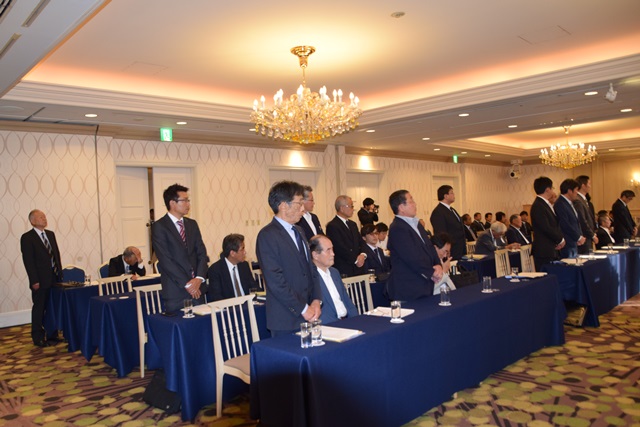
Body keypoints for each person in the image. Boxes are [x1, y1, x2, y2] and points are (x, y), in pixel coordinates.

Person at [256, 181, 322, 336]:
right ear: (283, 206)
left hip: (309, 314)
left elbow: (311, 268)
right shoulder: (267, 235)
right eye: (299, 203)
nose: (303, 208)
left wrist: (316, 299)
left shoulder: (299, 231)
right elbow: (275, 281)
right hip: (286, 318)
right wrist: (303, 308)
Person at [152, 183, 209, 313]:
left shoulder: (192, 224)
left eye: (188, 200)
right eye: (185, 200)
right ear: (172, 203)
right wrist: (188, 284)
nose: (188, 204)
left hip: (198, 289)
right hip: (176, 291)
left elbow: (201, 253)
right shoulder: (159, 226)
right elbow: (166, 260)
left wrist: (199, 278)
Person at [386, 190, 443, 301]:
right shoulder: (397, 228)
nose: (415, 204)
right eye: (411, 201)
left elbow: (430, 247)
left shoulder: (417, 224)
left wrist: (438, 264)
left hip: (424, 285)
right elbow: (411, 257)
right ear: (401, 207)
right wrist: (432, 273)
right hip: (408, 288)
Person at [21, 209, 63, 347]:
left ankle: (52, 335)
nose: (44, 219)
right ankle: (38, 337)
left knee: (52, 307)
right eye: (40, 217)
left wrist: (60, 273)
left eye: (44, 216)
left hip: (54, 277)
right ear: (32, 221)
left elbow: (56, 255)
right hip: (40, 280)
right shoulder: (27, 238)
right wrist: (34, 280)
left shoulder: (50, 234)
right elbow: (28, 261)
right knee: (39, 308)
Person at [309, 235, 358, 324]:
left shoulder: (334, 272)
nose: (333, 254)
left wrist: (356, 320)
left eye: (332, 249)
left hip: (347, 321)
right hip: (329, 325)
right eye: (328, 250)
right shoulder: (309, 277)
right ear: (315, 255)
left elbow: (347, 301)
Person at [207, 234, 257, 302]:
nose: (245, 252)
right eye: (242, 249)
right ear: (232, 253)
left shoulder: (244, 265)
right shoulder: (215, 270)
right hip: (229, 306)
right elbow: (216, 297)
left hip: (248, 304)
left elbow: (254, 287)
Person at [326, 195, 367, 277]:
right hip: (344, 268)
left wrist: (362, 255)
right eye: (351, 206)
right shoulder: (333, 225)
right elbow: (339, 247)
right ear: (342, 208)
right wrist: (356, 260)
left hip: (358, 268)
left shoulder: (353, 224)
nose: (353, 209)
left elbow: (361, 242)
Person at [530, 177, 565, 271]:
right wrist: (560, 239)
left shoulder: (544, 204)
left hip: (550, 248)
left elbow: (554, 224)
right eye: (552, 188)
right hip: (544, 250)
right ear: (547, 190)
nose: (553, 190)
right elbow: (546, 227)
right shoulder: (538, 205)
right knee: (546, 276)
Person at [430, 185, 466, 260]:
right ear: (445, 196)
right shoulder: (438, 212)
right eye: (452, 193)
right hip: (452, 250)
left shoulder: (452, 209)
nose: (454, 195)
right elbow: (441, 234)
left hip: (460, 248)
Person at [555, 178, 585, 258]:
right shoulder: (560, 204)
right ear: (569, 191)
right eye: (576, 190)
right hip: (567, 243)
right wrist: (578, 237)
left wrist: (579, 236)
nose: (577, 193)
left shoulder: (568, 203)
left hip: (572, 242)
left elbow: (575, 222)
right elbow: (565, 224)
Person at [574, 175, 598, 254]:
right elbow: (582, 220)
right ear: (583, 186)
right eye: (589, 184)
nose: (590, 186)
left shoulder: (583, 199)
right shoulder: (578, 200)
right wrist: (592, 235)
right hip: (584, 237)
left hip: (587, 236)